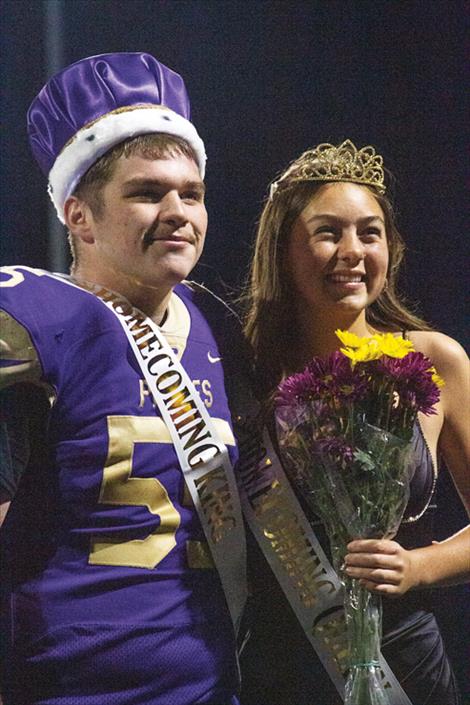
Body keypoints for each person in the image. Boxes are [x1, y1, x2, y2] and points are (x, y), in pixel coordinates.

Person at [0, 52, 251, 705]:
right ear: (78, 215)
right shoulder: (36, 320)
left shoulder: (219, 327)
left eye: (191, 193)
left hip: (210, 688)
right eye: (147, 192)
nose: (178, 211)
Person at [238, 140, 469, 705]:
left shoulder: (434, 362)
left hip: (406, 665)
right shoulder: (240, 375)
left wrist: (417, 566)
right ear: (283, 252)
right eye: (326, 233)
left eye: (370, 233)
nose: (352, 252)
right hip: (278, 671)